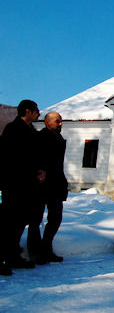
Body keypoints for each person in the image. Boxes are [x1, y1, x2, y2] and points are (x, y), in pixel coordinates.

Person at [0, 99, 41, 273]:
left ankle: (13, 256)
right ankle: (2, 258)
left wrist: (39, 171)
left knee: (20, 222)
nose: (38, 113)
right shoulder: (13, 129)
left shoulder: (31, 130)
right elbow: (11, 158)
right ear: (27, 111)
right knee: (9, 222)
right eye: (36, 110)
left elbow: (33, 156)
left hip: (28, 185)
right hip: (14, 184)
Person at [30, 112, 68, 264]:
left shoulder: (58, 138)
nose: (60, 124)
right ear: (47, 122)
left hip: (56, 184)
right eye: (57, 121)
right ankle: (35, 252)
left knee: (56, 217)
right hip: (41, 185)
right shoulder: (40, 138)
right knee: (35, 219)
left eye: (61, 121)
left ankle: (46, 248)